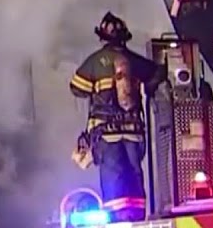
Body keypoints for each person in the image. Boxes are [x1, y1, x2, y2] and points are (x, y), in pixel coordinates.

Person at [69, 12, 165, 222]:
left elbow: (76, 87)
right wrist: (147, 87)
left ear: (102, 37)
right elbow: (159, 72)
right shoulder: (133, 61)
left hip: (106, 134)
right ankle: (137, 218)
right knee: (134, 175)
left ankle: (117, 221)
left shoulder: (95, 61)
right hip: (133, 133)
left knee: (113, 177)